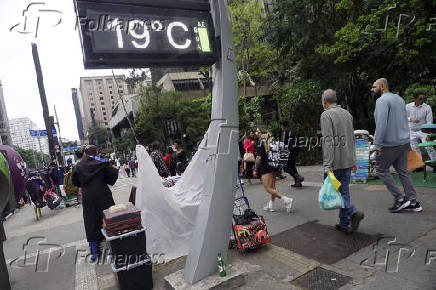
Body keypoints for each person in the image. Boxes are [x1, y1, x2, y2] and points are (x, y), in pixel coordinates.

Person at [371, 78, 423, 212]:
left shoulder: (382, 101)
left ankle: (400, 199)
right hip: (403, 141)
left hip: (389, 143)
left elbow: (381, 124)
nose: (372, 89)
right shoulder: (399, 99)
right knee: (403, 172)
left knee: (381, 170)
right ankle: (413, 202)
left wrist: (376, 143)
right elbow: (403, 120)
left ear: (382, 86)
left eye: (374, 87)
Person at [320, 89, 364, 234]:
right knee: (344, 192)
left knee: (335, 193)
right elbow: (352, 138)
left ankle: (352, 213)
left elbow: (328, 141)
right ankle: (344, 223)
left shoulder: (326, 115)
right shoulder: (347, 114)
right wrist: (354, 160)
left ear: (324, 101)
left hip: (334, 163)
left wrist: (327, 165)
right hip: (347, 161)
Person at [72, 145, 118, 261]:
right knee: (108, 219)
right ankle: (115, 248)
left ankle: (94, 251)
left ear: (85, 154)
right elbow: (113, 174)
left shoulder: (78, 166)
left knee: (91, 221)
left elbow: (75, 181)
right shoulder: (102, 162)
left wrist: (82, 184)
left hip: (88, 198)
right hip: (103, 195)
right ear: (96, 153)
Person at [254, 126, 293, 212]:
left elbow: (259, 158)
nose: (256, 133)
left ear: (262, 133)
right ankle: (270, 205)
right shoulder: (272, 140)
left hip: (265, 167)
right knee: (272, 187)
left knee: (268, 188)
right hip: (273, 166)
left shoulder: (261, 142)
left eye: (258, 132)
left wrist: (255, 168)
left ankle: (286, 200)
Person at [406, 92, 436, 160]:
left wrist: (429, 134)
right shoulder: (408, 106)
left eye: (424, 99)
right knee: (415, 149)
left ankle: (435, 162)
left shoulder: (427, 107)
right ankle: (419, 166)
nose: (422, 100)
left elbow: (429, 122)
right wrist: (410, 119)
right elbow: (403, 117)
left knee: (429, 147)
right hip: (411, 131)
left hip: (423, 131)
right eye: (420, 99)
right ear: (415, 99)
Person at [280, 120, 305, 187]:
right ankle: (298, 182)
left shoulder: (285, 131)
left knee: (286, 167)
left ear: (282, 125)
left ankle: (298, 177)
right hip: (295, 150)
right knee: (292, 166)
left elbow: (283, 143)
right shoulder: (293, 131)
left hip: (289, 151)